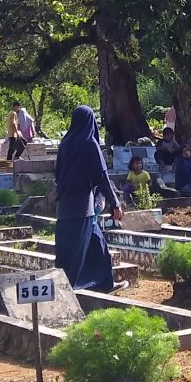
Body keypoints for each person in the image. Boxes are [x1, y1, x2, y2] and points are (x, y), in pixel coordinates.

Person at [55, 105, 123, 291]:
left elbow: (57, 174)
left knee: (98, 245)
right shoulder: (89, 144)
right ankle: (65, 291)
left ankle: (105, 284)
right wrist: (115, 204)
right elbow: (102, 177)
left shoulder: (65, 143)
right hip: (82, 208)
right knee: (73, 256)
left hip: (65, 206)